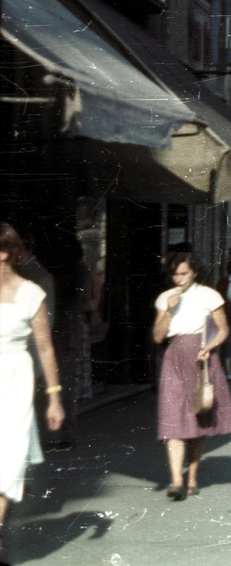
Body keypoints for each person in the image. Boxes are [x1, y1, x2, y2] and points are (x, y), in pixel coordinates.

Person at [0, 224, 65, 557]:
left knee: (8, 462)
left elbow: (45, 347)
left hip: (13, 377)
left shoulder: (31, 293)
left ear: (4, 253)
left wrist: (54, 397)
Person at [152, 251, 231, 500]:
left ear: (195, 272)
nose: (179, 279)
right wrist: (168, 311)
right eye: (175, 274)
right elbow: (158, 337)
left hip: (202, 358)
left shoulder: (209, 295)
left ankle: (192, 477)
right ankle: (177, 481)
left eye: (184, 274)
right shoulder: (165, 297)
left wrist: (210, 347)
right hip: (174, 357)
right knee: (172, 418)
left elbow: (223, 330)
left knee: (199, 416)